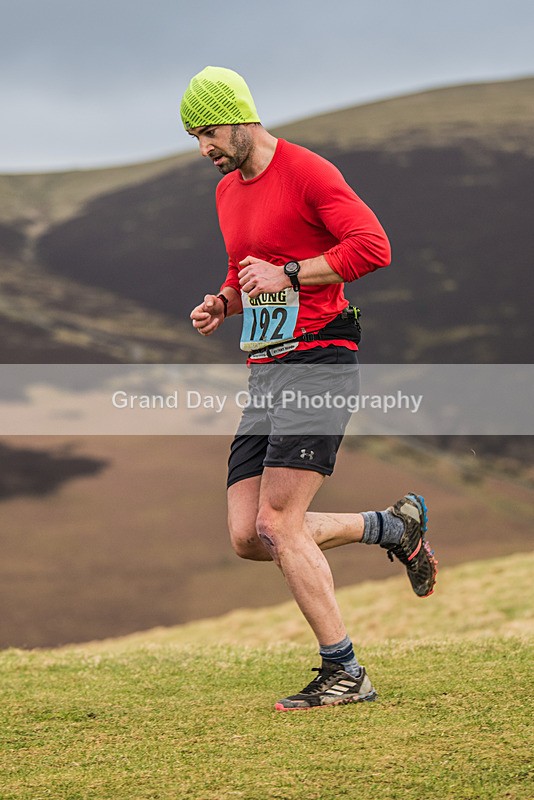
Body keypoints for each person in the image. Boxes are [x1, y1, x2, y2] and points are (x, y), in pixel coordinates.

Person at [182, 66, 437, 711]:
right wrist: (223, 301)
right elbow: (250, 273)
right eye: (193, 137)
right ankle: (392, 528)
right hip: (267, 367)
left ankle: (344, 673)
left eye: (208, 132)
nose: (203, 148)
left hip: (321, 356)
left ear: (240, 118)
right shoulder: (226, 193)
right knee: (249, 535)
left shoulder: (308, 172)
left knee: (279, 520)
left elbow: (372, 247)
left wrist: (292, 272)